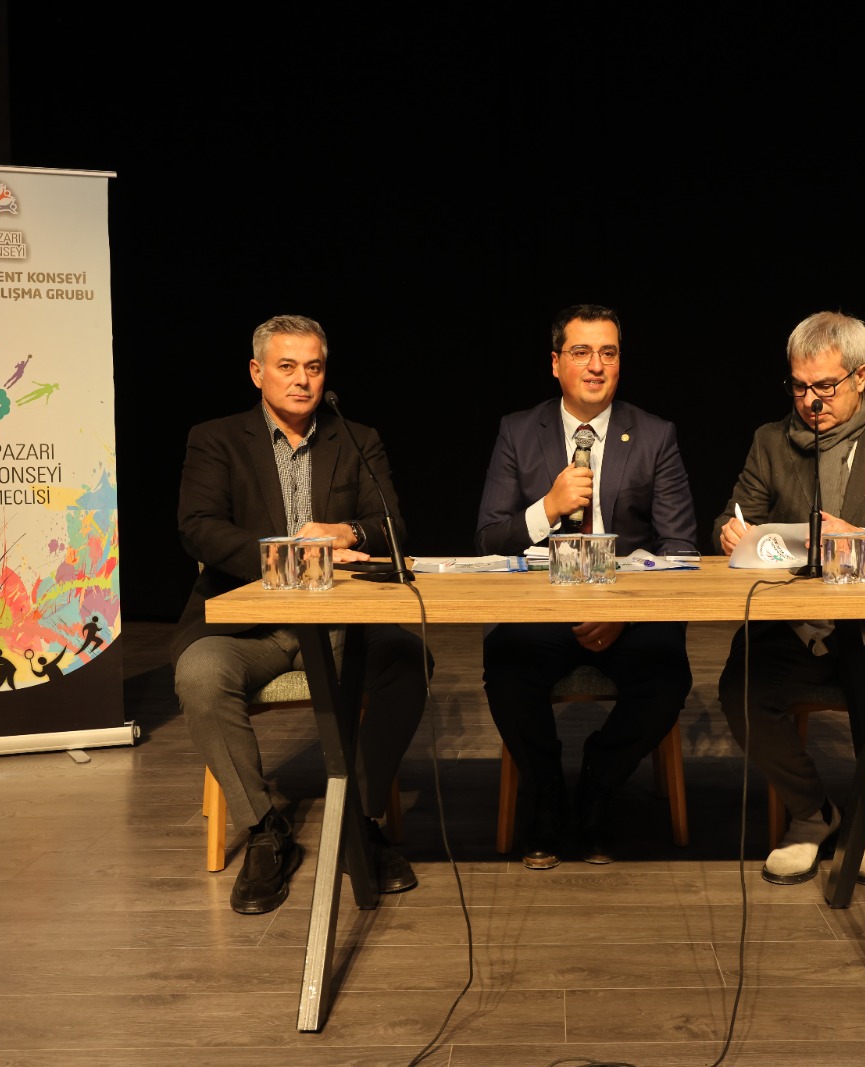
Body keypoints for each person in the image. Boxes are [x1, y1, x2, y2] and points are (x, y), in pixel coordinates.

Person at [172, 314, 428, 915]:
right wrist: (288, 555)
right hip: (248, 626)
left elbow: (391, 526)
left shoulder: (356, 439)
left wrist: (347, 531)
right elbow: (198, 528)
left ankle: (358, 821)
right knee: (200, 675)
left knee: (406, 660)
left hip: (339, 624)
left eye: (313, 367)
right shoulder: (215, 438)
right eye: (286, 366)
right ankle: (266, 829)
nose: (302, 380)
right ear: (257, 372)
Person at [715, 310, 865, 886]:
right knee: (740, 692)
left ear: (861, 375)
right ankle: (811, 813)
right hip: (800, 624)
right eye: (799, 386)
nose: (810, 401)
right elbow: (734, 516)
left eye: (824, 386)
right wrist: (729, 532)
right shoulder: (771, 441)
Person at [476, 304, 696, 869]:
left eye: (608, 353)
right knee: (506, 667)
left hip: (627, 610)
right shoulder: (518, 431)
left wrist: (626, 612)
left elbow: (679, 548)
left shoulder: (655, 435)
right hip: (544, 608)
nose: (596, 366)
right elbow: (489, 538)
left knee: (668, 676)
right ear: (556, 363)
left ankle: (598, 787)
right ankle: (548, 797)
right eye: (581, 352)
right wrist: (547, 508)